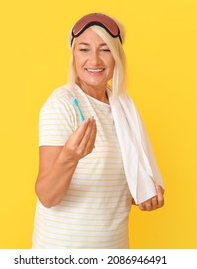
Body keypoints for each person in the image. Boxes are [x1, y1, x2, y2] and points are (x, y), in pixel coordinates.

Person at [32, 13, 165, 249]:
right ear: (73, 56)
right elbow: (48, 197)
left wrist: (143, 192)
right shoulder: (62, 104)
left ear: (117, 56)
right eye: (84, 49)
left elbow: (112, 185)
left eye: (104, 50)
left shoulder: (123, 107)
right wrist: (69, 157)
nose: (94, 60)